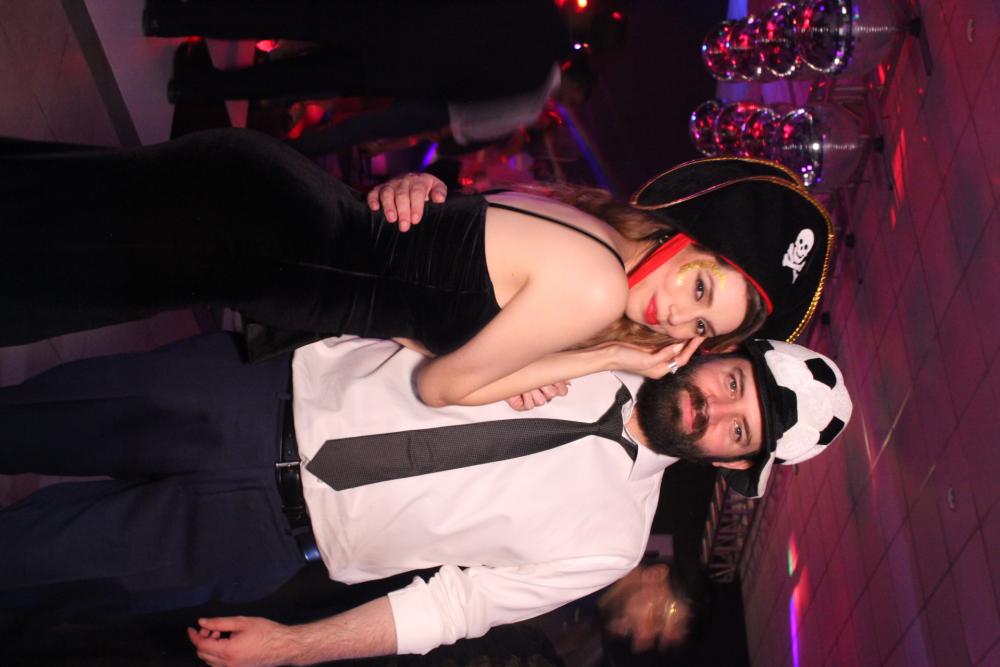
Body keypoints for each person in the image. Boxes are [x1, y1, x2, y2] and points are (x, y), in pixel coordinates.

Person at [0, 331, 853, 666]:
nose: (715, 410)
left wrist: (294, 646)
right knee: (24, 421)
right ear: (720, 356)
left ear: (734, 460)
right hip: (249, 397)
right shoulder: (601, 321)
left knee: (27, 564)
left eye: (738, 429)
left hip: (261, 534)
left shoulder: (612, 541)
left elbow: (453, 607)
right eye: (733, 383)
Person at [0, 130, 831, 407]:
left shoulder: (589, 227)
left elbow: (414, 298)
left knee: (36, 201)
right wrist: (605, 353)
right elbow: (437, 388)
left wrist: (513, 364)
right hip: (244, 238)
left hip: (260, 204)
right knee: (33, 263)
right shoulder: (597, 285)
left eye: (699, 325)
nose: (676, 319)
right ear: (683, 242)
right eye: (699, 287)